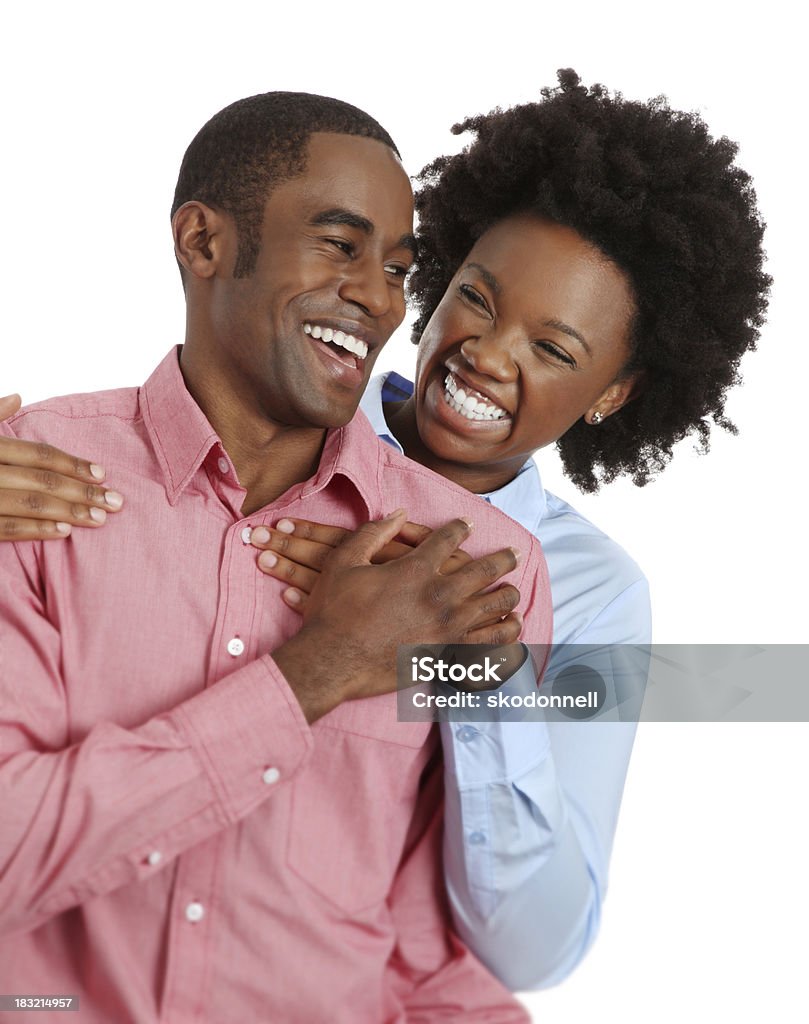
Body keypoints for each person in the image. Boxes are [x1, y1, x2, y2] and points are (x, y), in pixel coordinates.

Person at [0, 69, 770, 992]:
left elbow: (509, 949)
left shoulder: (573, 587)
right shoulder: (246, 404)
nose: (486, 355)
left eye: (554, 349)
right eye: (475, 299)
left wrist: (468, 669)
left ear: (611, 393)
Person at [0, 92, 554, 1023]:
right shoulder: (31, 484)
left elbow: (421, 939)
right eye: (340, 246)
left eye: (397, 269)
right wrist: (316, 673)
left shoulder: (479, 565)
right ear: (202, 242)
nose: (379, 299)